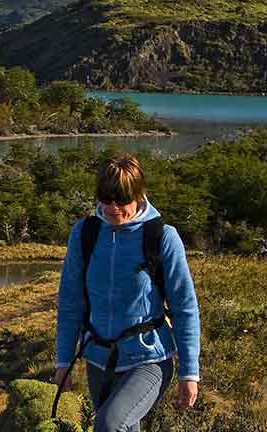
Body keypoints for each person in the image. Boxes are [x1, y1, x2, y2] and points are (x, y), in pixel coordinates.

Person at [54, 154, 201, 432]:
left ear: (139, 193)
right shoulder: (85, 234)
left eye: (121, 200)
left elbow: (185, 307)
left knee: (109, 425)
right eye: (106, 198)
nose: (113, 208)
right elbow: (71, 301)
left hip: (149, 360)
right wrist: (63, 361)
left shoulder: (162, 237)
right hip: (98, 360)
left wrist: (189, 371)